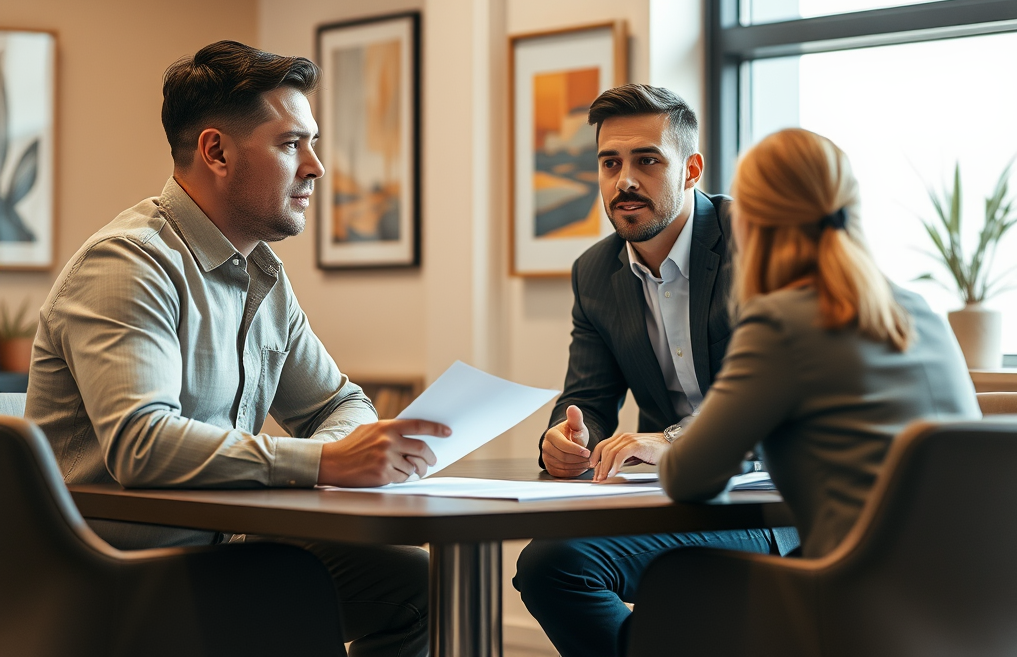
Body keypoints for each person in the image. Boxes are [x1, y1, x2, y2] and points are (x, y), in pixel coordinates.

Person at [27, 40, 448, 657]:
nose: (316, 168)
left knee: (412, 582)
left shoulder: (261, 276)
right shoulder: (127, 264)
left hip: (222, 552)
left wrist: (342, 448)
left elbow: (339, 401)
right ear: (216, 152)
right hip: (108, 574)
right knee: (299, 584)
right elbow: (140, 444)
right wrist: (327, 464)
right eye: (290, 144)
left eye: (314, 143)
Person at [513, 84, 794, 657]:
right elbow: (586, 398)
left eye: (647, 160)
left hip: (775, 500)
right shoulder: (595, 273)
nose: (625, 181)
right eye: (610, 163)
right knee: (549, 564)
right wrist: (565, 439)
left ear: (691, 168)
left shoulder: (758, 244)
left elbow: (779, 403)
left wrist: (674, 441)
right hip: (671, 500)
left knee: (561, 565)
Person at [659, 127, 980, 561]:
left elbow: (687, 478)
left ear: (749, 221)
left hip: (858, 597)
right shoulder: (920, 311)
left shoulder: (781, 321)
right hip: (979, 601)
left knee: (674, 584)